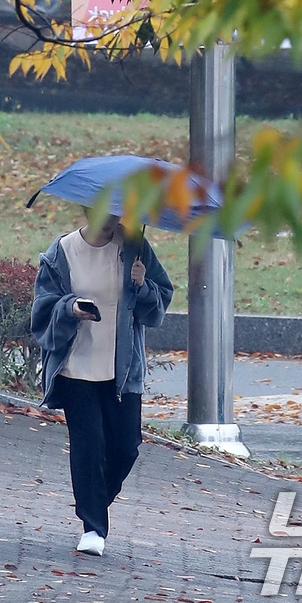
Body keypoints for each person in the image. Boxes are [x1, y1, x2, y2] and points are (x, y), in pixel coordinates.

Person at [32, 210, 174, 556]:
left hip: (122, 371)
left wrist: (142, 287)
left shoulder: (135, 246)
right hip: (76, 367)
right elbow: (43, 309)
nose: (112, 218)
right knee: (89, 445)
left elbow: (158, 307)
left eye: (116, 211)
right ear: (86, 209)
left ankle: (94, 502)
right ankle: (93, 527)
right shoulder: (62, 251)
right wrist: (71, 309)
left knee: (126, 447)